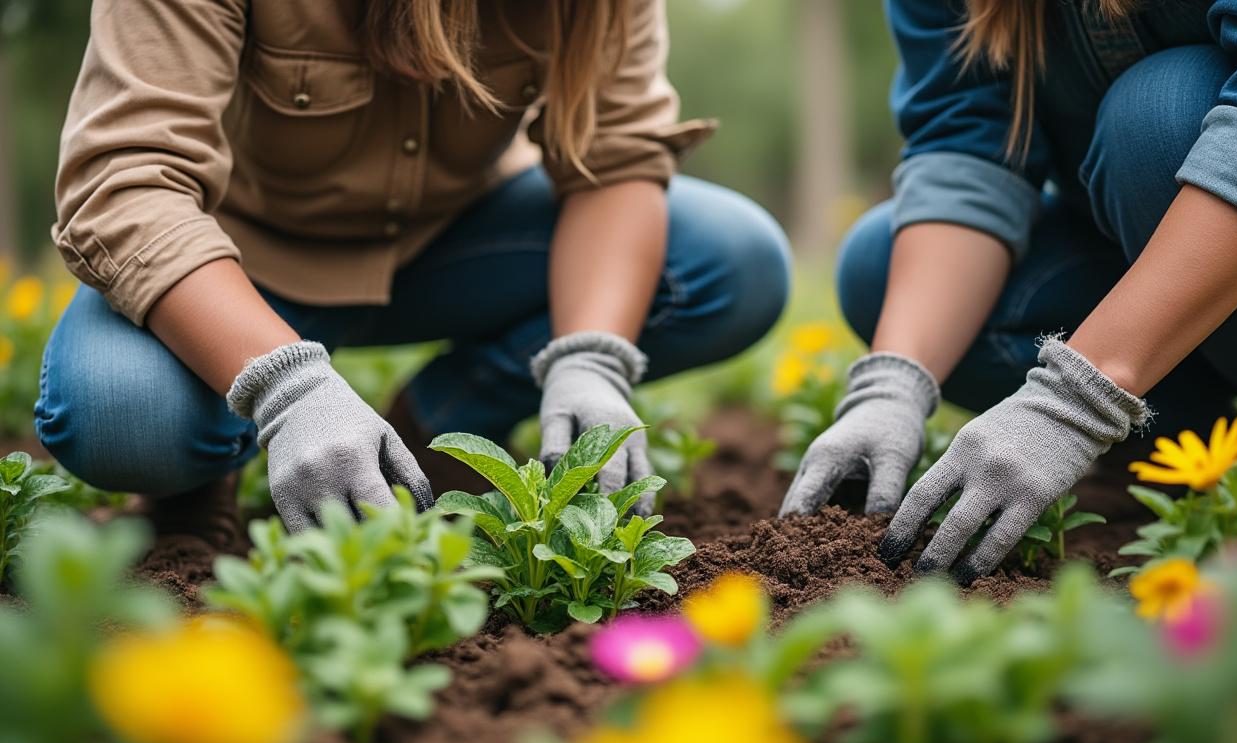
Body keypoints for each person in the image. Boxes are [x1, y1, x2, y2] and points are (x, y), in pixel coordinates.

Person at [36, 0, 789, 550]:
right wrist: (284, 388)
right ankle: (203, 473)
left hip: (456, 247)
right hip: (235, 263)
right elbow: (127, 181)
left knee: (728, 261)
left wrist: (589, 355)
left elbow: (616, 156)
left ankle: (436, 423)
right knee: (122, 414)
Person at [781, 0, 1237, 583]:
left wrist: (1074, 401)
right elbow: (967, 146)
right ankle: (1190, 454)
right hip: (1138, 255)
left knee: (1155, 115)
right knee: (880, 268)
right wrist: (891, 386)